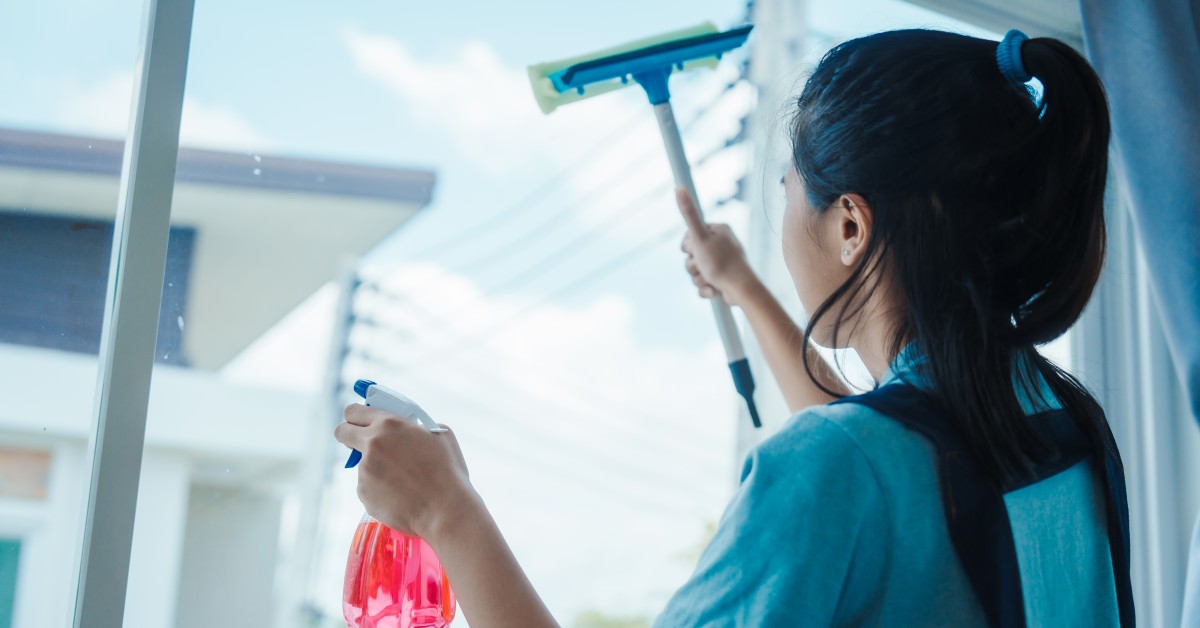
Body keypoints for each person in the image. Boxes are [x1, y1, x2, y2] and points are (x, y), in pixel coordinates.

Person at [335, 28, 1131, 627]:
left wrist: (448, 514)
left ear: (850, 227)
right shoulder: (1061, 422)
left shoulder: (836, 467)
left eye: (788, 189)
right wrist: (742, 285)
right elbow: (887, 459)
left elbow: (849, 465)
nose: (782, 219)